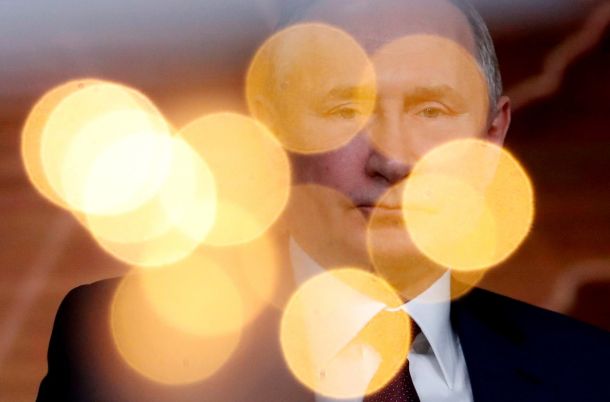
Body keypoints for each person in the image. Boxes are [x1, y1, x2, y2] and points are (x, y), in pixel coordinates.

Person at [37, 1, 610, 401]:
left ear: (491, 137)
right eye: (344, 110)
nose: (393, 160)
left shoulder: (590, 372)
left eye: (432, 110)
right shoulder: (124, 350)